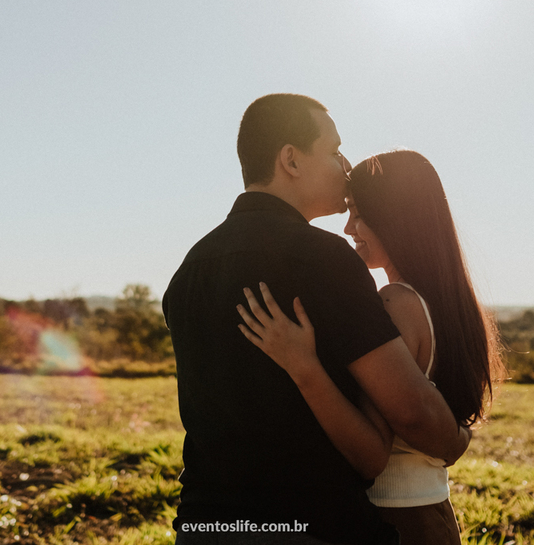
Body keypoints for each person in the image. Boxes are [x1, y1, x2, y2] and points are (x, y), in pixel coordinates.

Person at [163, 95, 470, 545]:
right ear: (290, 159)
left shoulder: (190, 269)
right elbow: (407, 414)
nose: (343, 166)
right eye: (332, 151)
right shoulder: (325, 261)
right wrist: (457, 441)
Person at [237, 150, 503, 545]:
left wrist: (303, 364)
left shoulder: (396, 302)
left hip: (395, 519)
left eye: (359, 213)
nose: (348, 227)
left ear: (397, 219)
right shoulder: (448, 304)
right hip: (433, 513)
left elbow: (378, 442)